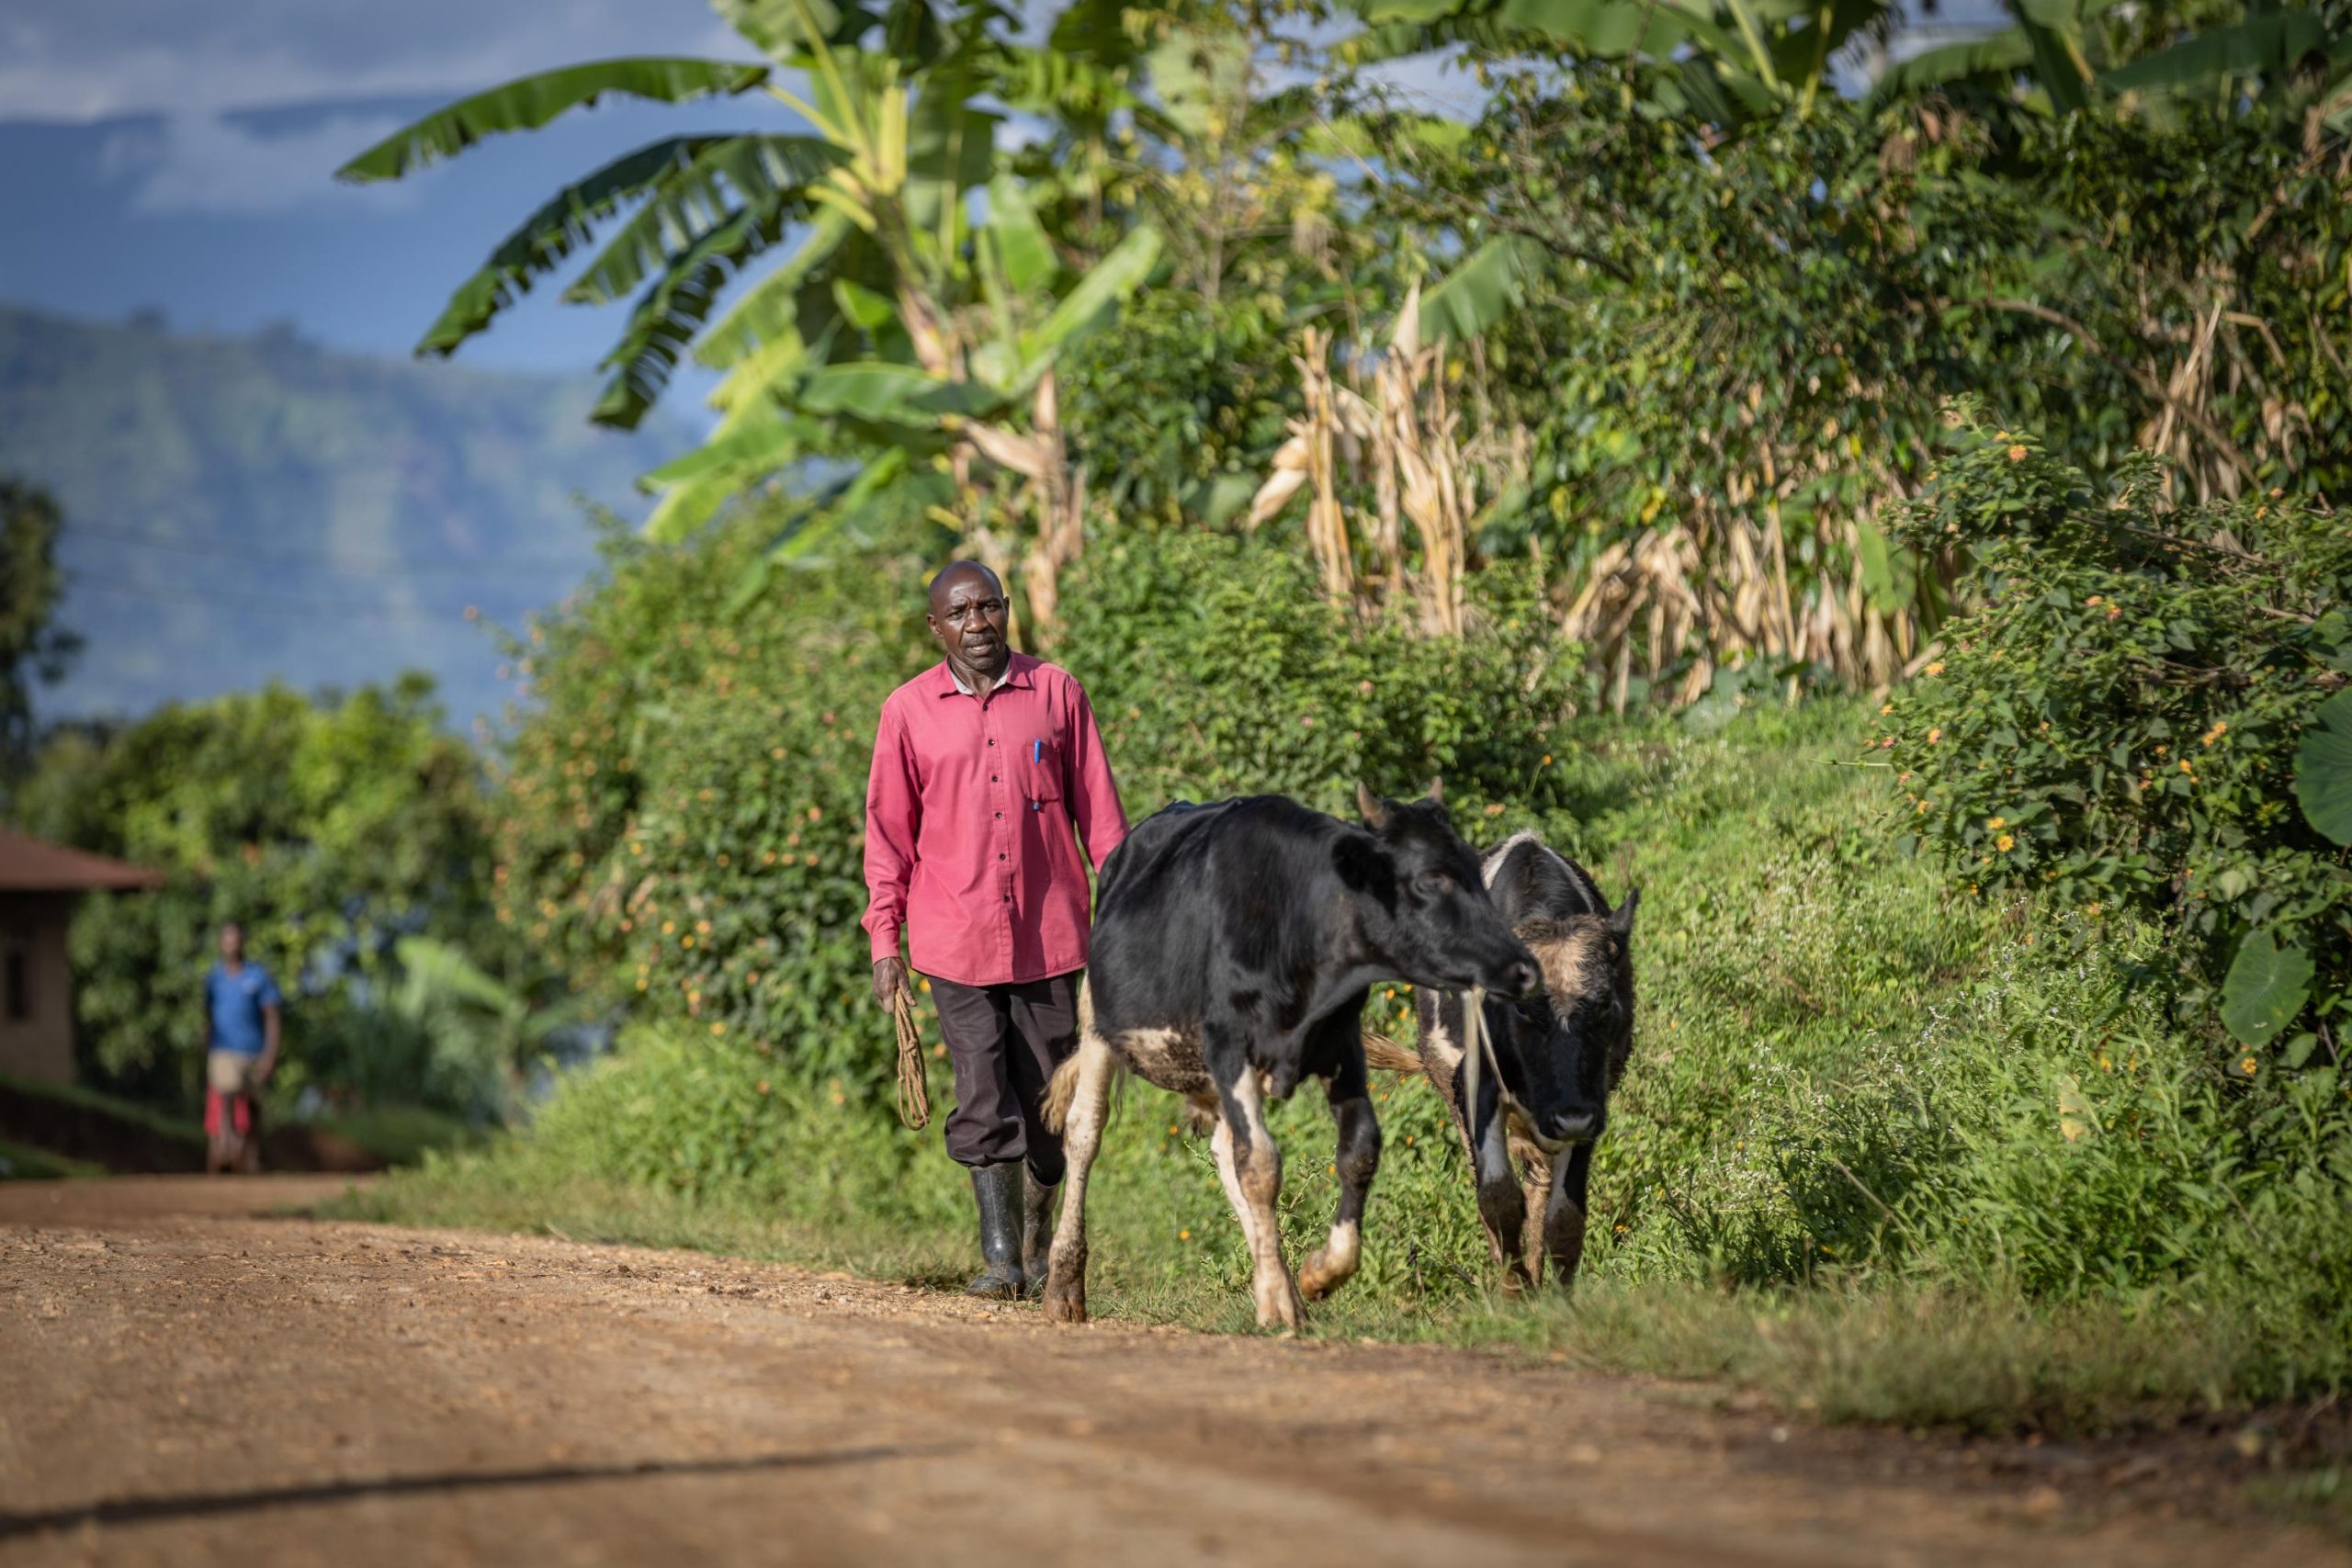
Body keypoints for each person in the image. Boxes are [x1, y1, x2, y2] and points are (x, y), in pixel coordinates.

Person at [863, 563, 1129, 1298]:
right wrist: (885, 941)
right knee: (982, 1094)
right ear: (935, 627)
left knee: (1050, 1102)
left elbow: (1104, 823)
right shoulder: (907, 711)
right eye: (959, 612)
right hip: (954, 937)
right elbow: (888, 837)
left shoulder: (1057, 693)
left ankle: (1042, 1246)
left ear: (1007, 610)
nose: (976, 623)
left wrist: (1130, 920)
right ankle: (1003, 1260)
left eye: (987, 607)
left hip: (1052, 936)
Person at [201, 919, 281, 1174]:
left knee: (254, 1104)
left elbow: (272, 1017)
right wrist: (205, 1041)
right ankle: (226, 1147)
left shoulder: (257, 976)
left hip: (254, 1050)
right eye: (226, 940)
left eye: (234, 939)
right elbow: (207, 1014)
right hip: (222, 1049)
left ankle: (251, 1154)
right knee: (226, 1092)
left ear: (243, 942)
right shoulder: (214, 978)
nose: (231, 945)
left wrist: (270, 1055)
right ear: (220, 943)